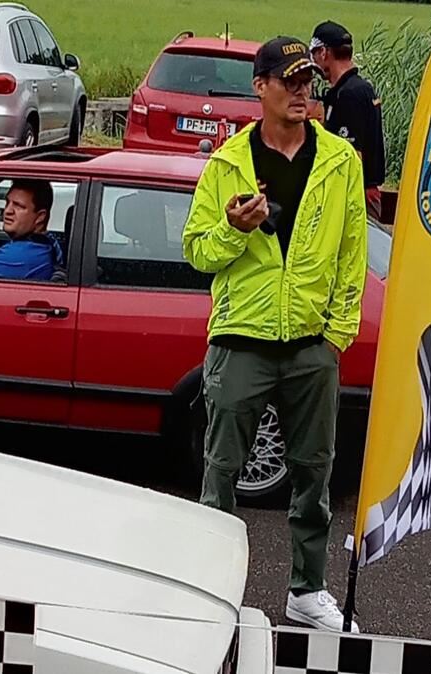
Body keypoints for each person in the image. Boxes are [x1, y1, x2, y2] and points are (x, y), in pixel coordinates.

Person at [182, 37, 368, 632]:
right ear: (259, 86)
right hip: (240, 341)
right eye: (289, 81)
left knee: (314, 473)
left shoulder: (340, 160)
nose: (301, 91)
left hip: (311, 345)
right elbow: (197, 253)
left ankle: (306, 590)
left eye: (308, 80)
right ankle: (209, 590)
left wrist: (335, 336)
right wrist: (235, 231)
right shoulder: (226, 164)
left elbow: (352, 254)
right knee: (221, 472)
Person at [311, 20, 386, 219]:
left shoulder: (348, 94)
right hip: (364, 191)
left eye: (314, 54)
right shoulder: (358, 88)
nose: (314, 61)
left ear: (324, 53)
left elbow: (352, 155)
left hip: (356, 195)